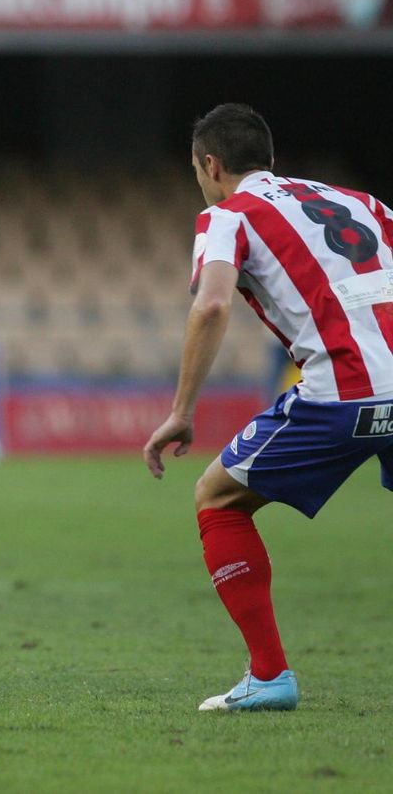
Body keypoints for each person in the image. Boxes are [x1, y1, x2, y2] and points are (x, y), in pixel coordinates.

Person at [144, 103, 393, 712]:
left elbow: (210, 306)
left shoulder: (225, 217)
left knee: (218, 500)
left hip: (347, 388)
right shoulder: (365, 202)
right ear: (270, 159)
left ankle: (270, 676)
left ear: (210, 164)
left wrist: (181, 411)